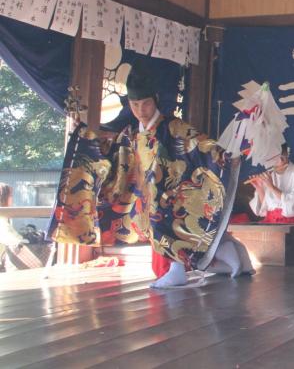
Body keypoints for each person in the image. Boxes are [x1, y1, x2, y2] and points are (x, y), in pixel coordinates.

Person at [48, 60, 250, 288]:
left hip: (173, 193)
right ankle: (219, 257)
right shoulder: (131, 132)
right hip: (146, 193)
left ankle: (179, 269)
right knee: (150, 225)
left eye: (145, 104)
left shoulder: (172, 127)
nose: (140, 110)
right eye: (134, 105)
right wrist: (84, 134)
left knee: (170, 224)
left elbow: (201, 142)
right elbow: (109, 149)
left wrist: (223, 155)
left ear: (155, 101)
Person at [247, 143, 294, 223]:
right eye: (273, 158)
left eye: (281, 156)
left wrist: (272, 187)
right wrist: (259, 188)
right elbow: (265, 210)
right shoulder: (269, 175)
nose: (279, 160)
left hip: (292, 222)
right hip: (270, 221)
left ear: (286, 154)